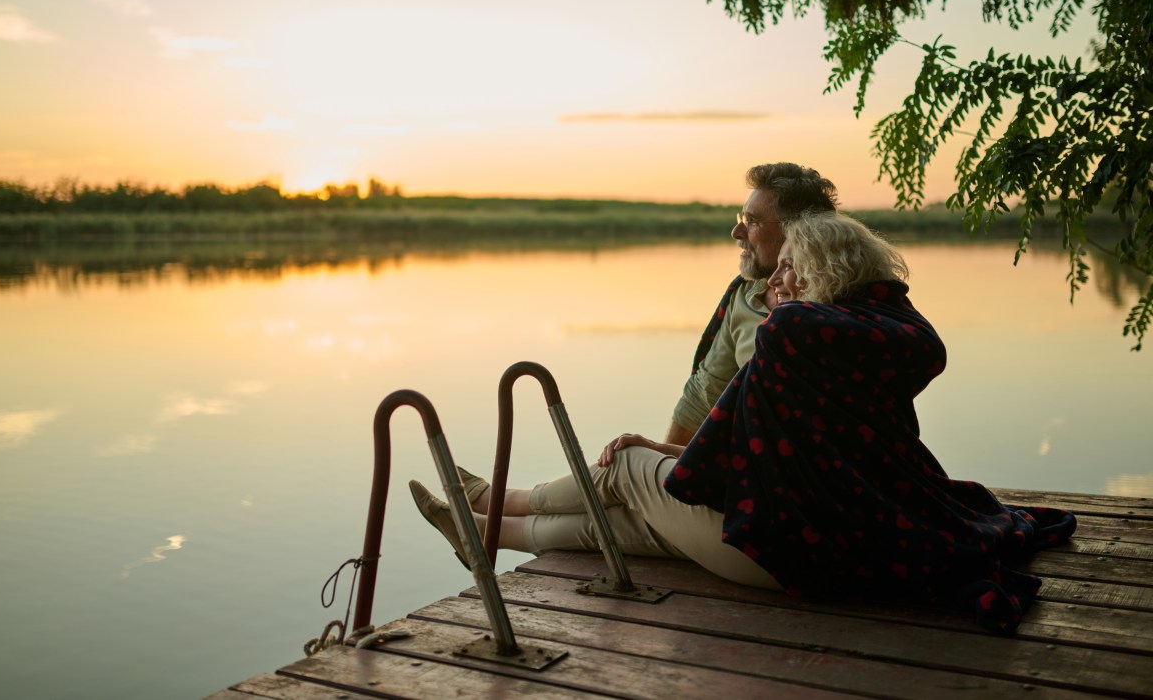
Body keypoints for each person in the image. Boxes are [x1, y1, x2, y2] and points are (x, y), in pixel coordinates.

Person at [411, 211, 1077, 633]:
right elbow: (766, 424)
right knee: (625, 525)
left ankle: (487, 499)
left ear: (822, 272)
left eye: (789, 267)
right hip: (835, 542)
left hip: (784, 553)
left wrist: (662, 452)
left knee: (630, 467)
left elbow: (717, 443)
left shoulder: (799, 331)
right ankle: (485, 534)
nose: (775, 281)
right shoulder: (888, 330)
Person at [666, 163, 837, 447]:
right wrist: (670, 466)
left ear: (798, 231)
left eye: (752, 221)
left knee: (614, 471)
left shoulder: (844, 305)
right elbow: (704, 394)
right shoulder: (746, 293)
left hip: (789, 480)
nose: (736, 232)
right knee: (619, 464)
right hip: (734, 468)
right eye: (741, 218)